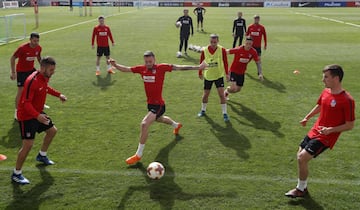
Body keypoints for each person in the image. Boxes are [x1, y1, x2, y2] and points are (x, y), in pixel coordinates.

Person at [109, 51, 207, 165]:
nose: (148, 64)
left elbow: (178, 67)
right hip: (150, 104)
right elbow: (126, 69)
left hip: (159, 104)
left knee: (144, 124)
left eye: (150, 61)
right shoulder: (142, 69)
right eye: (146, 62)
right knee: (160, 119)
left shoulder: (161, 68)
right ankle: (176, 125)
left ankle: (138, 154)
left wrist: (198, 67)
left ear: (154, 60)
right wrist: (115, 65)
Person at [285, 64, 355, 198]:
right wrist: (307, 117)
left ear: (336, 78)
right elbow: (320, 105)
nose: (323, 80)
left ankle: (300, 190)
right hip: (315, 130)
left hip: (327, 136)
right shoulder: (326, 92)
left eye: (326, 77)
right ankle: (303, 188)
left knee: (302, 158)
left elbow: (350, 125)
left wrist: (331, 130)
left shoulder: (347, 100)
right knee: (299, 155)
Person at [11, 56, 67, 184]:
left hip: (36, 113)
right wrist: (38, 116)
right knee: (28, 145)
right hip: (27, 116)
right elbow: (25, 103)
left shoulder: (43, 77)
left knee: (52, 131)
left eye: (54, 70)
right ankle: (16, 173)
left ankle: (41, 155)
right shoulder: (32, 80)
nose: (53, 72)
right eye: (51, 70)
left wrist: (59, 95)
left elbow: (46, 89)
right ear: (43, 68)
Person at [197, 34, 229, 122]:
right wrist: (200, 72)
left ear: (218, 41)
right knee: (205, 95)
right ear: (209, 41)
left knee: (221, 95)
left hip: (219, 75)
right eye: (211, 42)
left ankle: (225, 113)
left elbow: (225, 62)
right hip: (208, 76)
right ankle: (203, 110)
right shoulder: (205, 50)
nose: (213, 44)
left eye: (215, 42)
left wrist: (227, 74)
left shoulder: (222, 50)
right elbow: (201, 61)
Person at [10, 32, 42, 120]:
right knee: (21, 91)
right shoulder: (22, 48)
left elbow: (39, 58)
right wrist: (13, 72)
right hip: (21, 72)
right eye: (34, 41)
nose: (36, 43)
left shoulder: (38, 48)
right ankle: (17, 111)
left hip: (31, 70)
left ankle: (35, 105)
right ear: (30, 39)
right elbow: (12, 58)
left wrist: (43, 67)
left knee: (38, 87)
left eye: (37, 41)